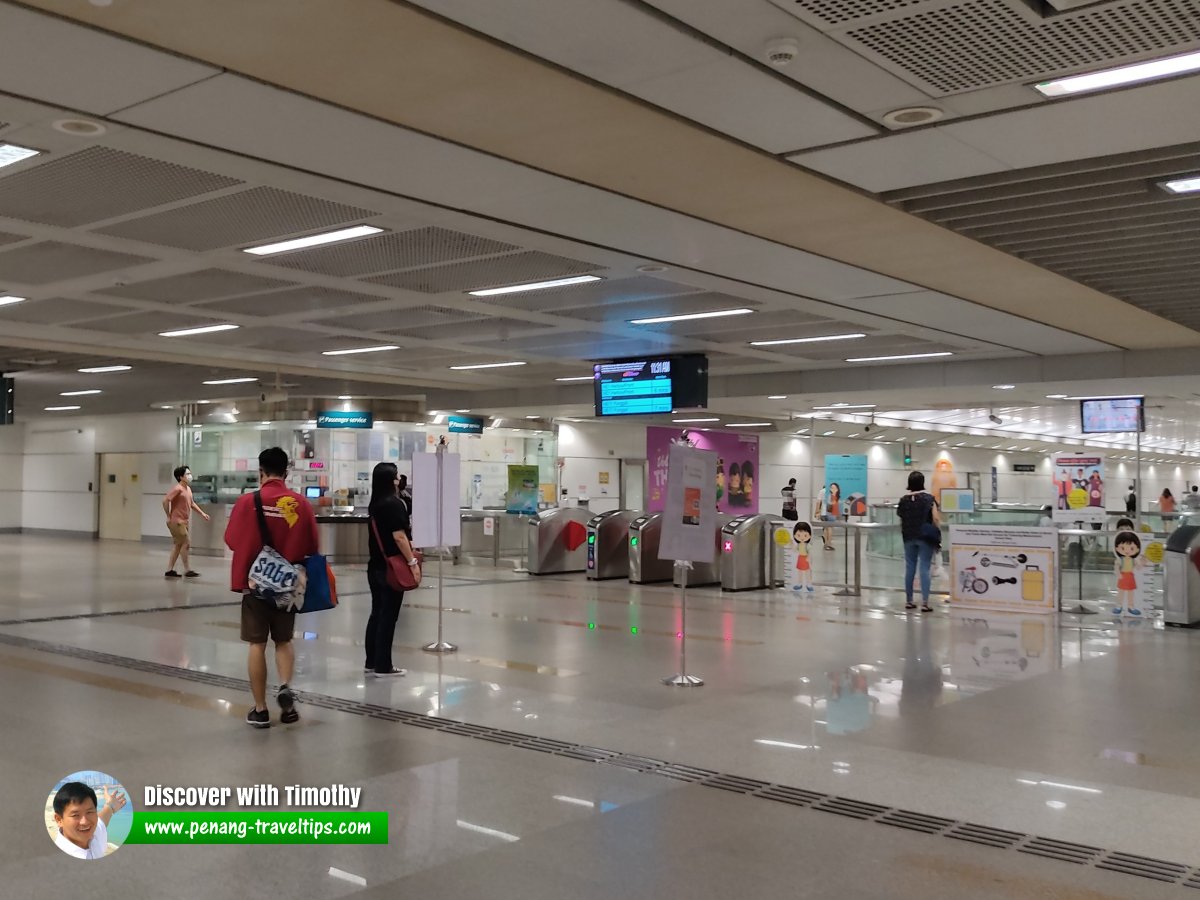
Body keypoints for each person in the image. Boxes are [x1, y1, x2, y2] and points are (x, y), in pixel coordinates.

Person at [224, 447, 319, 728]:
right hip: (287, 586)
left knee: (257, 643)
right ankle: (286, 693)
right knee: (284, 640)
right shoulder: (300, 503)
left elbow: (231, 539)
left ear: (260, 471)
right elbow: (313, 546)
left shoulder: (247, 502)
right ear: (286, 472)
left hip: (255, 585)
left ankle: (261, 709)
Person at [365, 462, 420, 677]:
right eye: (397, 477)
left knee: (377, 614)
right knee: (389, 616)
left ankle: (371, 661)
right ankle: (383, 666)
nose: (399, 480)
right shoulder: (394, 504)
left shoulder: (375, 504)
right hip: (391, 568)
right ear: (391, 480)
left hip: (375, 566)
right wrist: (412, 563)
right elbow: (399, 537)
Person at [896, 471, 940, 613]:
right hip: (925, 537)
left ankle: (909, 601)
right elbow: (936, 519)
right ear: (923, 482)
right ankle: (925, 603)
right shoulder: (929, 499)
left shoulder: (903, 500)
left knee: (910, 567)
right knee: (924, 568)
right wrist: (937, 534)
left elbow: (901, 519)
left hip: (908, 536)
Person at [51, 782, 126, 859]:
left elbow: (103, 818)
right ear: (59, 820)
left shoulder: (94, 834)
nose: (85, 822)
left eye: (89, 812)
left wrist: (111, 806)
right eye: (75, 815)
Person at [162, 465, 210, 578]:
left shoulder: (187, 489)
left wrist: (202, 513)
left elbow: (192, 503)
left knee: (178, 545)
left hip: (184, 521)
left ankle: (170, 570)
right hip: (176, 521)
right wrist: (168, 515)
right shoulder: (177, 489)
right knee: (185, 543)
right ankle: (187, 570)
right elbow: (165, 500)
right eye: (187, 474)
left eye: (189, 473)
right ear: (181, 477)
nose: (190, 476)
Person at [1112, 531, 1145, 617]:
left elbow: (1138, 568)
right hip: (1123, 576)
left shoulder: (1133, 560)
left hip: (1130, 576)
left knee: (1131, 593)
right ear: (1117, 548)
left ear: (1137, 549)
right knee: (1121, 592)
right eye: (1123, 548)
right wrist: (1118, 574)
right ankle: (1119, 606)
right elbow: (1116, 567)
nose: (1127, 551)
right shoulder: (1120, 560)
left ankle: (1131, 606)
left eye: (1131, 548)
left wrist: (1142, 562)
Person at [814, 483, 840, 550]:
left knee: (825, 528)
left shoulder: (822, 491)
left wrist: (816, 512)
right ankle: (829, 544)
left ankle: (825, 543)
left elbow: (818, 502)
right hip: (831, 512)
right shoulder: (833, 490)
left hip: (823, 513)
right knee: (830, 528)